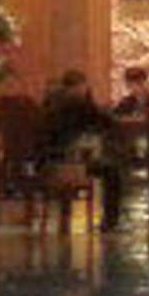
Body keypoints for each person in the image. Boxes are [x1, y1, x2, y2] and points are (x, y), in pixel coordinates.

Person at [38, 69, 127, 230]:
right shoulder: (77, 102)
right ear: (80, 86)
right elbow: (105, 122)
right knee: (112, 171)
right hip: (69, 160)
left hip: (47, 160)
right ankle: (110, 222)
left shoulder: (50, 101)